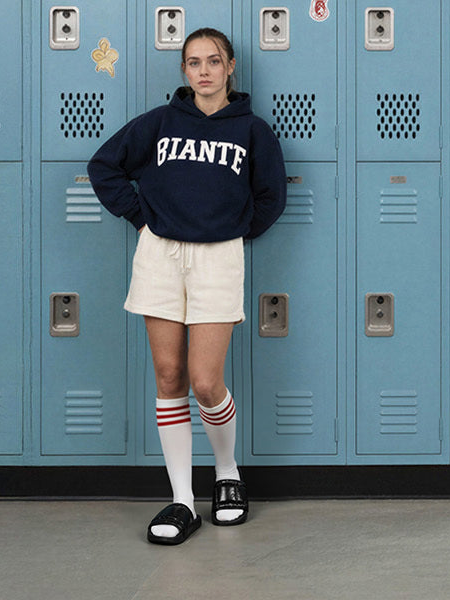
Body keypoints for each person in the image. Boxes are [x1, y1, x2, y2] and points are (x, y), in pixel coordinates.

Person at [87, 27, 286, 545]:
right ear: (184, 72)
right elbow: (103, 166)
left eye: (213, 61)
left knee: (204, 380)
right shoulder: (158, 124)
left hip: (218, 257)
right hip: (160, 255)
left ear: (230, 67)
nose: (203, 71)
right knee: (170, 374)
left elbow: (272, 195)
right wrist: (141, 220)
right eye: (193, 62)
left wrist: (235, 230)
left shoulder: (252, 131)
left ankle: (227, 476)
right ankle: (181, 500)